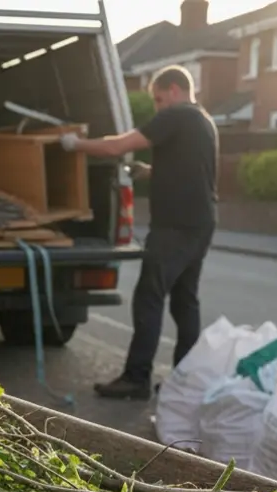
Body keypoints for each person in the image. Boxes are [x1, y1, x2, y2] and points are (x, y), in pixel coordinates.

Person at [59, 65, 218, 400]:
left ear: (174, 90)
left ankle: (136, 377)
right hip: (200, 223)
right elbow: (191, 166)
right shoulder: (203, 120)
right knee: (185, 302)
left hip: (174, 225)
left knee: (149, 296)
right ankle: (183, 383)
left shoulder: (175, 116)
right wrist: (149, 171)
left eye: (159, 99)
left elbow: (119, 146)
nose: (158, 106)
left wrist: (76, 145)